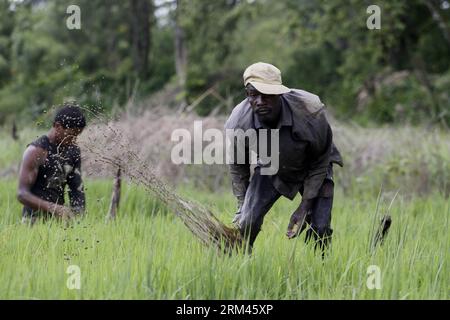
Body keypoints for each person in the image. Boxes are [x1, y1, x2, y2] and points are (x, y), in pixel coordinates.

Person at [225, 62, 343, 254]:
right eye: (254, 95)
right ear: (248, 95)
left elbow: (321, 160)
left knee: (320, 227)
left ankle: (322, 268)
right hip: (271, 165)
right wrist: (242, 206)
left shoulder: (310, 112)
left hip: (313, 166)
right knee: (246, 222)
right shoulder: (238, 123)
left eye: (267, 95)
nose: (260, 101)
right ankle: (241, 264)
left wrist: (304, 206)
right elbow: (238, 167)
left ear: (280, 94)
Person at [17, 103, 86, 225]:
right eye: (70, 135)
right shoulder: (36, 151)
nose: (73, 140)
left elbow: (76, 188)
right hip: (32, 222)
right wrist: (54, 208)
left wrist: (78, 213)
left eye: (76, 136)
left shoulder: (73, 151)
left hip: (58, 223)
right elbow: (22, 194)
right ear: (57, 126)